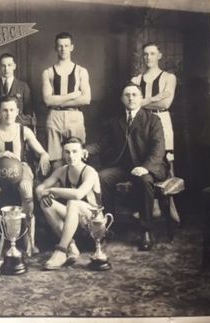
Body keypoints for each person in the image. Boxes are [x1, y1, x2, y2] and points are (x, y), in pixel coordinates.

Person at [86, 82, 168, 251]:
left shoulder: (152, 119)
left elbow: (158, 148)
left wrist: (146, 167)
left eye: (134, 95)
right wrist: (84, 151)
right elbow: (102, 143)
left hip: (146, 166)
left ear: (141, 98)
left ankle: (145, 230)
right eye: (127, 95)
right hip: (123, 167)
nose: (131, 98)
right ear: (122, 99)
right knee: (102, 177)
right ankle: (109, 226)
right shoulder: (116, 121)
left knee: (145, 180)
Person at [0, 96, 51, 257]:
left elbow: (42, 152)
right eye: (4, 110)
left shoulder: (24, 130)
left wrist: (43, 156)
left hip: (21, 169)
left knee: (27, 190)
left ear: (17, 111)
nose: (8, 113)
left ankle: (29, 239)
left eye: (11, 110)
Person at [36, 136, 102, 270]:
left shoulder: (90, 172)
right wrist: (42, 194)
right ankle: (71, 246)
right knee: (45, 203)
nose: (70, 156)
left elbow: (78, 194)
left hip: (92, 225)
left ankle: (61, 251)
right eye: (67, 152)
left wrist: (52, 190)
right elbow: (40, 188)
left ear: (83, 153)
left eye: (75, 151)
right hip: (71, 225)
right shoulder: (62, 170)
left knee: (73, 202)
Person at [131, 42, 179, 222]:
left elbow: (166, 104)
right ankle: (150, 207)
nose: (148, 57)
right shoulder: (136, 80)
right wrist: (155, 99)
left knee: (166, 163)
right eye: (145, 54)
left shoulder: (169, 77)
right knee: (143, 160)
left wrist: (142, 101)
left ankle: (172, 208)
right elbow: (134, 103)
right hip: (142, 122)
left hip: (163, 120)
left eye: (152, 53)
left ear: (160, 55)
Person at [42, 32, 91, 170]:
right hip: (54, 116)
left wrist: (57, 100)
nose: (63, 49)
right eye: (60, 46)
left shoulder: (81, 71)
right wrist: (73, 95)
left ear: (72, 47)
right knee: (55, 159)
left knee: (77, 157)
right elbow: (47, 100)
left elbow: (86, 99)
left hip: (74, 116)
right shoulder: (48, 72)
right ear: (55, 48)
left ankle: (76, 190)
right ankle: (58, 190)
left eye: (66, 45)